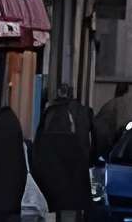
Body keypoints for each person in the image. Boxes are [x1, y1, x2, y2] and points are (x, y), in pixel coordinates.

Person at [33, 83, 98, 222]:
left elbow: (38, 145)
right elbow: (98, 141)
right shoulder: (84, 112)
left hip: (54, 172)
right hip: (76, 170)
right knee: (71, 209)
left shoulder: (49, 113)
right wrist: (91, 160)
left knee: (57, 207)